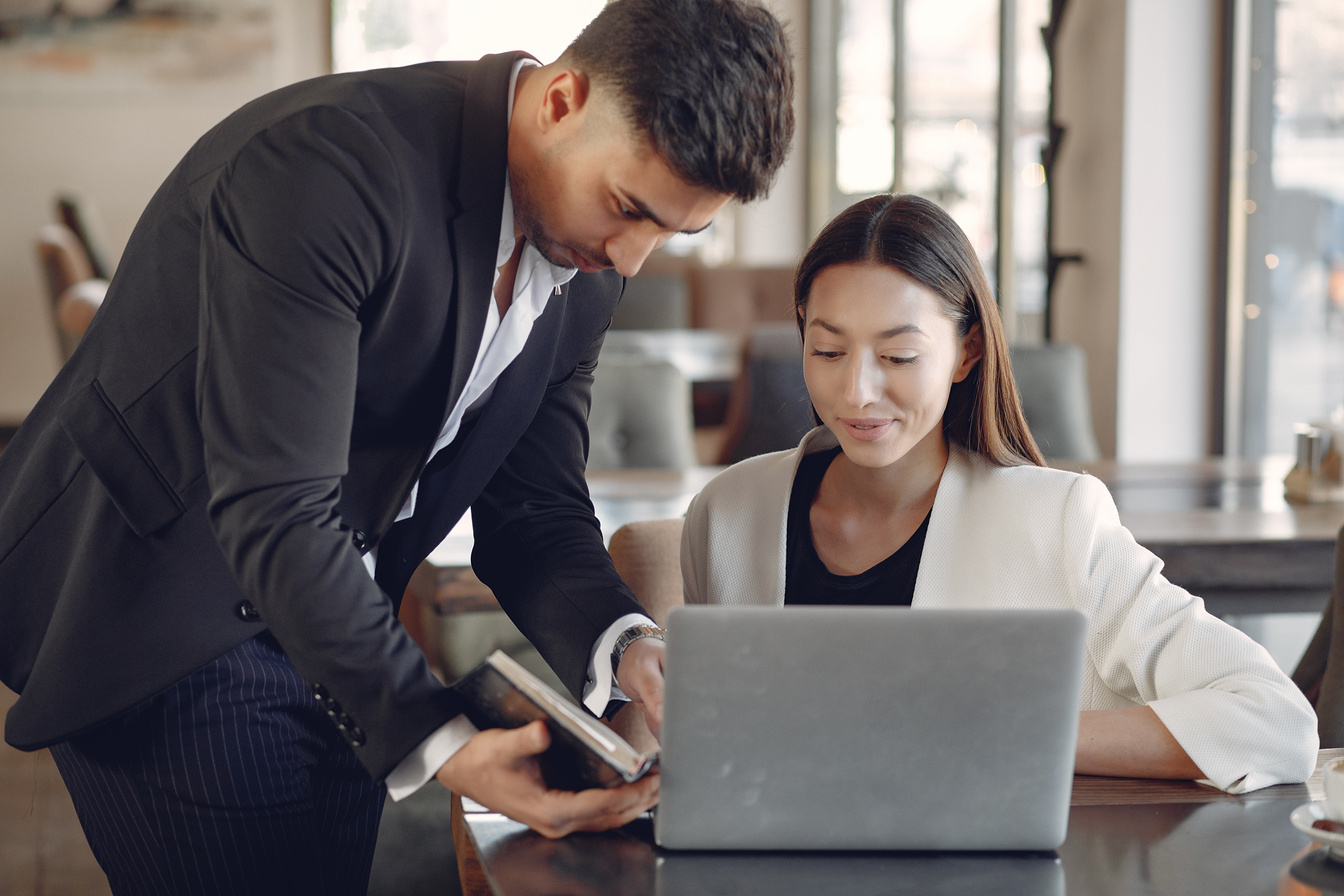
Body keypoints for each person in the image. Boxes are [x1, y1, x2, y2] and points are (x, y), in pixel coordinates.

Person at [0, 0, 793, 891]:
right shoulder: (326, 166)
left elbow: (533, 507)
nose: (635, 257)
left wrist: (628, 644)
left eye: (672, 233)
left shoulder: (588, 262)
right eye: (629, 208)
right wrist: (440, 737)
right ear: (562, 99)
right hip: (165, 594)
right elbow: (275, 506)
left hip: (339, 611)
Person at [680, 193, 1318, 793]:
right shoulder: (728, 515)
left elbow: (1274, 722)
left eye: (899, 357)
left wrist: (1009, 732)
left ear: (967, 352)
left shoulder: (1057, 520)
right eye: (827, 350)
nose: (856, 392)